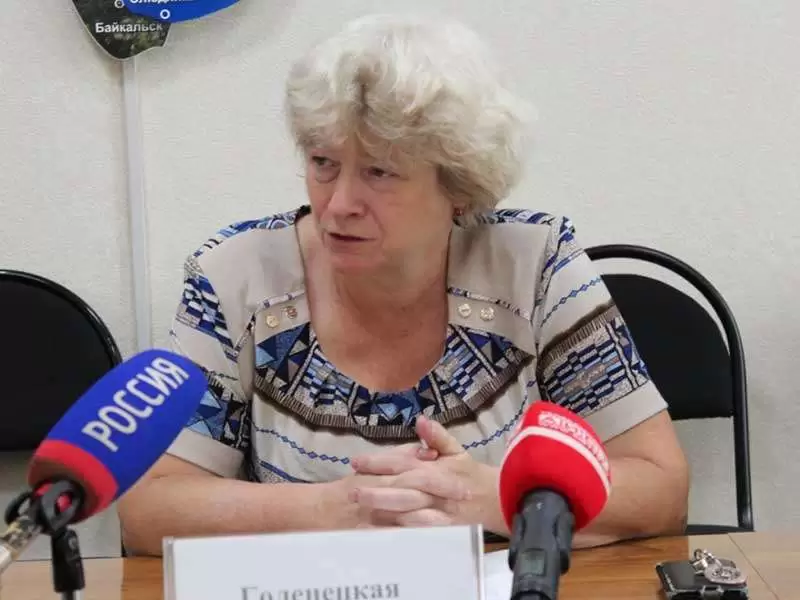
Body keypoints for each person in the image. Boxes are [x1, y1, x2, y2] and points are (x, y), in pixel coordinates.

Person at [117, 14, 689, 556]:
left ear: (458, 184)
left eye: (380, 172)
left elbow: (661, 488)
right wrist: (339, 508)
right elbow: (149, 508)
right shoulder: (235, 276)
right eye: (323, 163)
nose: (339, 204)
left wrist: (490, 498)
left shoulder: (535, 266)